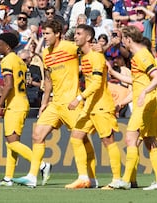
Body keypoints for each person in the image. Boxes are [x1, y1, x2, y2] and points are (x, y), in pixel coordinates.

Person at [11, 20, 96, 188]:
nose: (45, 37)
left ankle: (89, 178)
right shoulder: (45, 53)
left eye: (48, 33)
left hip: (72, 101)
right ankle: (32, 176)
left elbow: (90, 51)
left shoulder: (70, 47)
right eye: (43, 34)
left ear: (57, 34)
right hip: (55, 103)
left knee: (82, 139)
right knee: (37, 135)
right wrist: (44, 102)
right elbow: (48, 80)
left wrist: (98, 49)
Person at [65, 24, 121, 189]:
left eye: (78, 34)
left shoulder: (96, 57)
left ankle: (117, 180)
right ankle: (85, 178)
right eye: (75, 34)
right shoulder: (86, 54)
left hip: (102, 105)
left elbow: (97, 83)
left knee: (108, 141)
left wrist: (78, 98)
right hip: (89, 106)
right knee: (76, 137)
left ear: (88, 37)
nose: (75, 37)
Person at [111, 26, 157, 190]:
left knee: (130, 140)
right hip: (145, 102)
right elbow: (137, 81)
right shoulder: (139, 55)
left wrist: (144, 93)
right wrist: (112, 71)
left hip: (144, 103)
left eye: (123, 40)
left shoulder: (141, 55)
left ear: (128, 39)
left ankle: (126, 180)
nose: (123, 43)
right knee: (150, 142)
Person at [0, 32, 32, 187]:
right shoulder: (20, 61)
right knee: (12, 143)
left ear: (7, 46)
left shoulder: (7, 60)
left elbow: (8, 85)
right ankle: (8, 178)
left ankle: (41, 163)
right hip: (21, 101)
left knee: (12, 142)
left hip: (15, 104)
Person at [18, 49, 43, 118]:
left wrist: (32, 82)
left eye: (24, 60)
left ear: (29, 59)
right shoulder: (16, 69)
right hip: (20, 99)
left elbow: (42, 85)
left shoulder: (35, 69)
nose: (22, 62)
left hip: (33, 100)